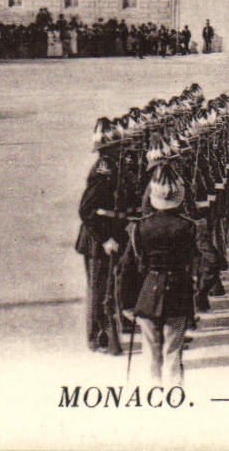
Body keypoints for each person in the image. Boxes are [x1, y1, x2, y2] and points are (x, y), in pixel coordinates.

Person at [129, 164, 215, 386]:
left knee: (150, 354)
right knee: (173, 353)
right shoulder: (190, 227)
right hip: (178, 292)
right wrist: (201, 288)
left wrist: (127, 302)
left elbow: (125, 268)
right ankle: (174, 396)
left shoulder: (140, 227)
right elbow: (213, 260)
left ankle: (152, 394)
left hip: (148, 293)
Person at [75, 118, 125, 354]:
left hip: (107, 233)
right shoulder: (103, 170)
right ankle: (95, 337)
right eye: (117, 145)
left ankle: (104, 333)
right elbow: (86, 210)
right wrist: (105, 239)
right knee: (98, 290)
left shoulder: (112, 166)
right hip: (97, 240)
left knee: (106, 287)